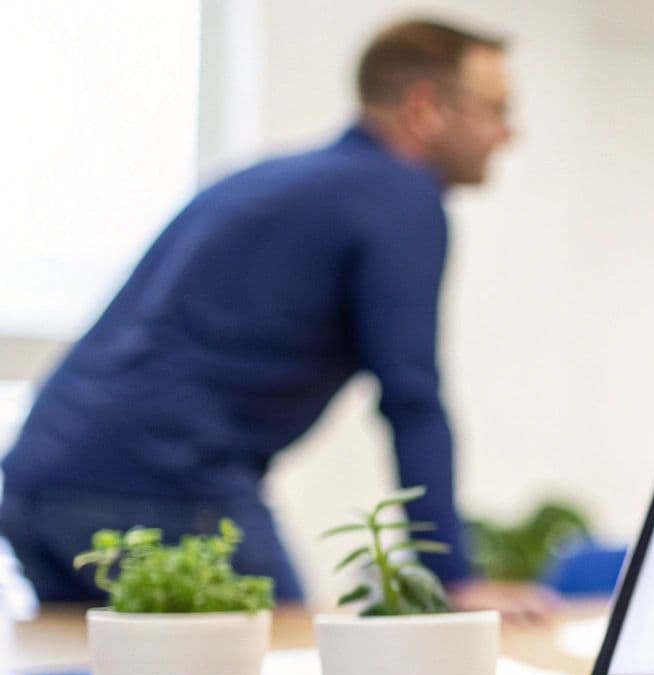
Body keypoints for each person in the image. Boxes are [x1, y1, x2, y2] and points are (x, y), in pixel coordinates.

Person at [0, 19, 548, 616]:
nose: (507, 133)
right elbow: (412, 397)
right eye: (494, 109)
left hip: (38, 482)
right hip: (164, 486)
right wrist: (454, 579)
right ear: (425, 109)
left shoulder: (270, 179)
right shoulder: (399, 196)